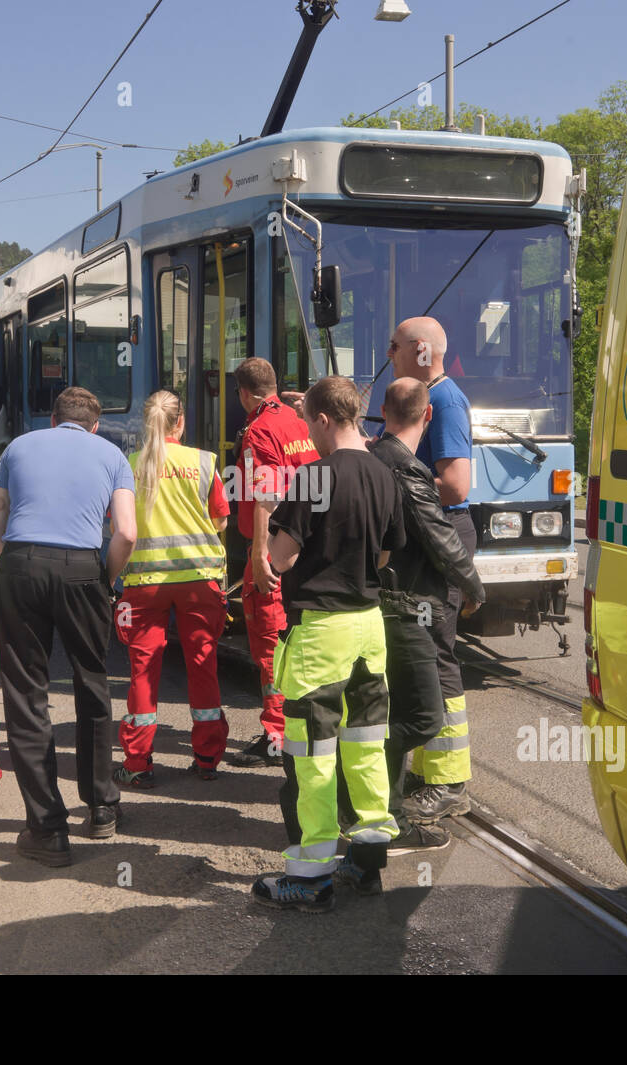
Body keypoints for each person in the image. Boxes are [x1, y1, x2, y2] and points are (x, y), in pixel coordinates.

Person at [251, 376, 405, 912]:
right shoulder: (386, 474)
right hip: (369, 627)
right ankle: (366, 864)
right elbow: (386, 556)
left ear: (321, 419)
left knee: (310, 756)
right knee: (365, 748)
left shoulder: (315, 477)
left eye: (309, 426)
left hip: (321, 630)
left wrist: (268, 537)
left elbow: (282, 558)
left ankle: (310, 877)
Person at [0, 387, 136, 868]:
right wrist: (104, 582)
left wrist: (17, 563)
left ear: (52, 420)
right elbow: (126, 533)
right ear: (94, 424)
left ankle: (47, 830)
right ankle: (102, 808)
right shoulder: (112, 454)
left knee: (26, 693)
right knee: (92, 681)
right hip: (84, 569)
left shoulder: (16, 448)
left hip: (21, 563)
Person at [367, 378, 484, 851]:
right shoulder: (408, 469)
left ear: (382, 410)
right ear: (429, 416)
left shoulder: (371, 456)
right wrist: (473, 586)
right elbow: (440, 538)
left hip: (379, 599)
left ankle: (385, 795)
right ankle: (417, 796)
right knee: (423, 709)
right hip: (411, 601)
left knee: (389, 697)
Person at [387, 317, 478, 825]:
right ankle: (428, 767)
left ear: (421, 351)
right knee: (422, 652)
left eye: (394, 346)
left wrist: (398, 490)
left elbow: (456, 486)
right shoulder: (430, 398)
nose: (389, 353)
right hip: (428, 539)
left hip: (441, 539)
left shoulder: (443, 401)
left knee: (438, 655)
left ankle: (448, 781)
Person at [114, 391, 229, 786]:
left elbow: (119, 529)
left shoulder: (130, 466)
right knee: (203, 665)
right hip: (200, 580)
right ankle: (207, 758)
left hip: (144, 584)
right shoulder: (203, 462)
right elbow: (221, 521)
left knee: (143, 672)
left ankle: (137, 763)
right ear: (180, 422)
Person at [230, 357, 319, 769]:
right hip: (308, 547)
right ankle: (299, 727)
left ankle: (275, 734)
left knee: (269, 645)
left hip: (274, 549)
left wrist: (258, 553)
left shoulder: (259, 430)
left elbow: (266, 493)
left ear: (245, 394)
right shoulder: (300, 421)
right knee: (298, 643)